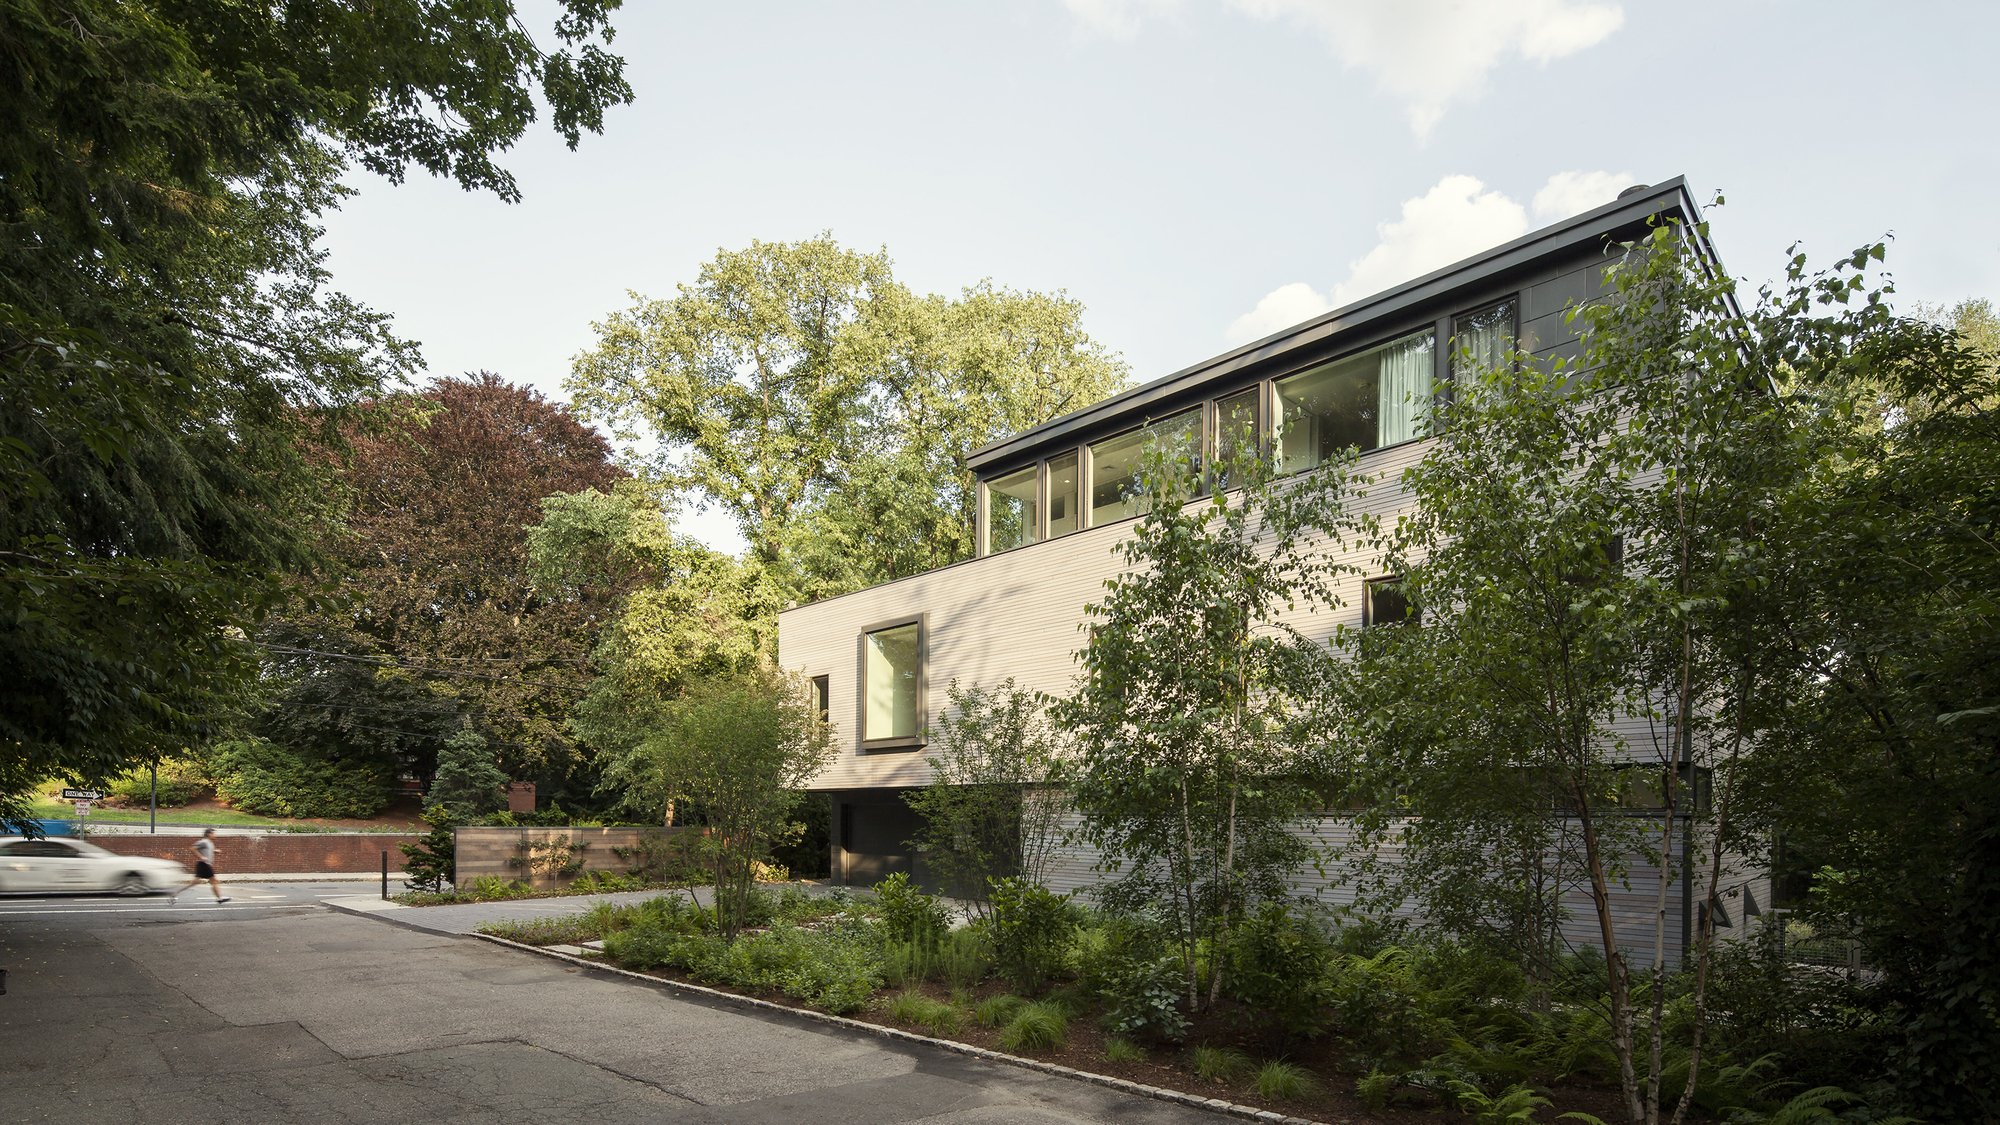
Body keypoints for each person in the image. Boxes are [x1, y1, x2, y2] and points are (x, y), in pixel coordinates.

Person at [172, 828, 230, 904]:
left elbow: (207, 851)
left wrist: (215, 851)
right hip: (204, 864)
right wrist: (201, 857)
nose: (215, 835)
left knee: (195, 882)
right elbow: (192, 848)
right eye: (213, 833)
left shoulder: (210, 843)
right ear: (209, 834)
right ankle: (219, 899)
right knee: (214, 881)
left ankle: (175, 893)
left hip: (204, 865)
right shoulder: (204, 842)